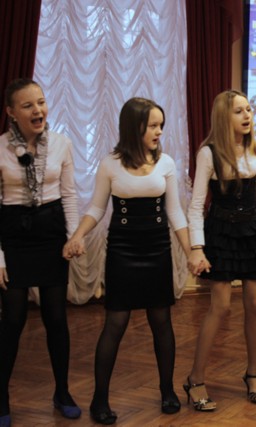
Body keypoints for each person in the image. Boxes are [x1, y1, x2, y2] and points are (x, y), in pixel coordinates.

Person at [63, 97, 190, 424]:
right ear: (134, 128)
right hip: (123, 249)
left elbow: (175, 212)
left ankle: (167, 390)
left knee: (161, 321)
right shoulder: (110, 164)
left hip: (157, 248)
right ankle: (99, 399)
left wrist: (192, 252)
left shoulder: (166, 163)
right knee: (115, 323)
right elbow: (96, 208)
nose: (159, 131)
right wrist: (77, 235)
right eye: (153, 125)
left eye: (161, 125)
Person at [186, 90, 256, 408]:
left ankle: (252, 374)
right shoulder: (209, 153)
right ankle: (195, 378)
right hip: (221, 234)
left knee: (255, 304)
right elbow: (196, 205)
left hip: (252, 234)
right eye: (239, 111)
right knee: (221, 306)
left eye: (248, 109)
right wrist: (197, 247)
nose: (247, 115)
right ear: (224, 117)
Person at [0, 78, 80, 426]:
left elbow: (70, 195)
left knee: (56, 318)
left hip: (50, 234)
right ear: (11, 112)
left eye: (41, 102)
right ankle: (1, 396)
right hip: (13, 237)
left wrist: (73, 237)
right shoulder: (0, 149)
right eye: (28, 105)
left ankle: (62, 392)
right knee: (13, 320)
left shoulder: (61, 144)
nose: (38, 110)